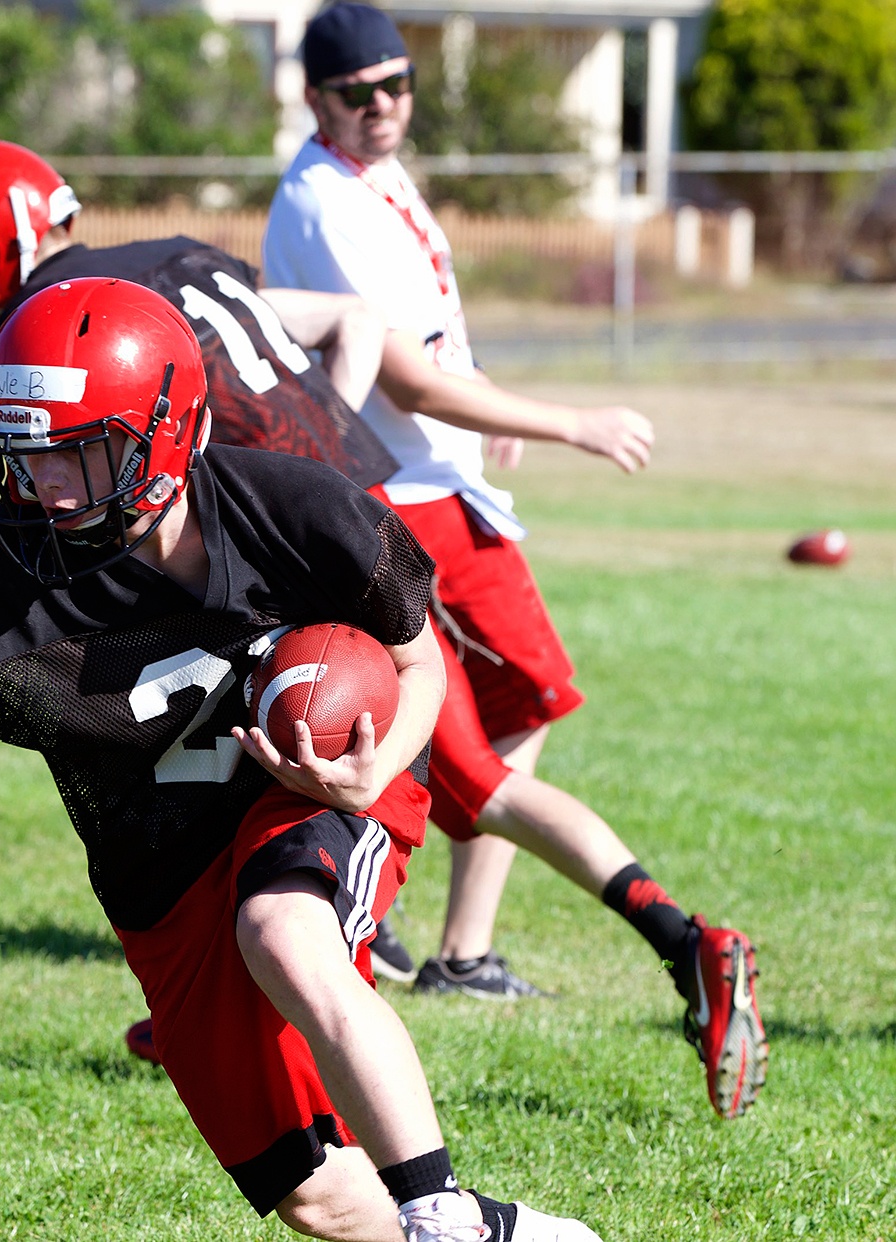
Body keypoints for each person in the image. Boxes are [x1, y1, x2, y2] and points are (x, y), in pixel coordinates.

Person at [0, 277, 603, 1241]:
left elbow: (419, 665)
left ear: (165, 436)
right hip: (156, 862)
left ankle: (439, 1207)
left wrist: (377, 771)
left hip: (308, 781)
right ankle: (498, 1234)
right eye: (27, 455)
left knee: (282, 928)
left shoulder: (297, 508)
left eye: (79, 452)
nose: (49, 485)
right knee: (316, 1196)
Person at [263, 1, 766, 1119]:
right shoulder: (318, 199)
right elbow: (401, 375)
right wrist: (564, 420)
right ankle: (677, 939)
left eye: (397, 85)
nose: (384, 106)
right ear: (315, 99)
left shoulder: (379, 176)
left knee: (501, 719)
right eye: (360, 92)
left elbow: (436, 330)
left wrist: (487, 402)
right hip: (394, 511)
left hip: (450, 496)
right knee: (447, 770)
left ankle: (424, 943)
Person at [0, 137, 418, 987]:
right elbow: (350, 316)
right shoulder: (179, 256)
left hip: (289, 541)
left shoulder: (74, 321)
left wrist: (305, 482)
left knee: (425, 747)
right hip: (291, 519)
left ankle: (650, 922)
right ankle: (312, 927)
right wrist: (326, 453)